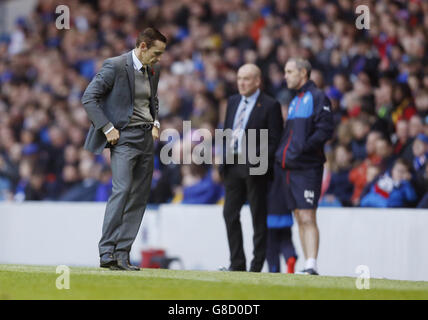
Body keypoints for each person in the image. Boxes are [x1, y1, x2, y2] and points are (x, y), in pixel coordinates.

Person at [81, 28, 167, 271]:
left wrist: (156, 121)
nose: (159, 58)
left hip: (145, 138)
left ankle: (122, 254)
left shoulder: (154, 69)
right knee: (122, 190)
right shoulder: (115, 66)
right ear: (142, 47)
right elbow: (89, 97)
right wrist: (107, 128)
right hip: (123, 138)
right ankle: (106, 251)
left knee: (139, 197)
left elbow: (153, 100)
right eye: (156, 53)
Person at [274, 58, 334, 275]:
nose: (285, 76)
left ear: (303, 73)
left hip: (308, 166)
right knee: (299, 215)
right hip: (290, 167)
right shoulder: (295, 101)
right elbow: (289, 136)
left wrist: (301, 151)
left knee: (308, 215)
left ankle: (312, 263)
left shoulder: (318, 98)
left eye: (289, 71)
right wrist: (283, 155)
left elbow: (325, 130)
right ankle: (308, 264)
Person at [221, 64, 283, 272]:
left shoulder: (270, 105)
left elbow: (275, 140)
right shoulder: (233, 101)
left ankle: (256, 266)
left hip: (255, 167)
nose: (241, 82)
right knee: (230, 214)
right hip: (232, 166)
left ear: (257, 81)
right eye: (239, 78)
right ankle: (237, 264)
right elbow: (228, 131)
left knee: (258, 216)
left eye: (246, 79)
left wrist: (258, 159)